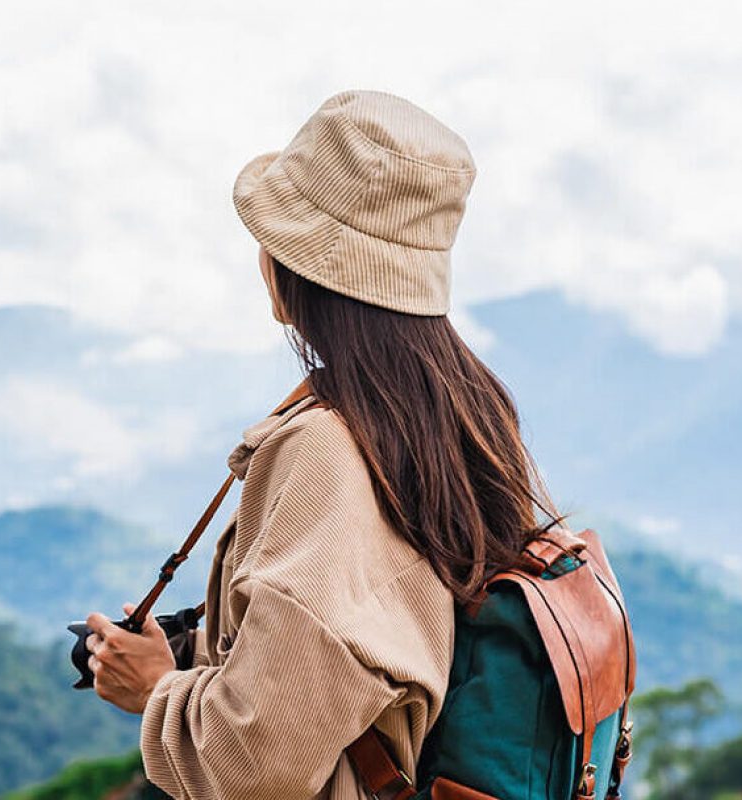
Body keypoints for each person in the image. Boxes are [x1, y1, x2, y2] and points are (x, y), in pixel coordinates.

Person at [82, 89, 568, 800]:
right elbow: (357, 646)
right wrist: (199, 650)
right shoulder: (466, 416)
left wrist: (155, 688)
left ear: (301, 267)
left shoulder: (325, 449)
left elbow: (258, 762)